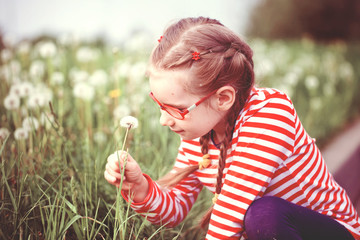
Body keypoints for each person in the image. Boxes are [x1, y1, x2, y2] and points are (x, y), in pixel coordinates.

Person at [104, 16, 360, 240]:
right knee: (259, 218)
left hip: (333, 232)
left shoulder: (270, 115)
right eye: (158, 104)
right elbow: (175, 209)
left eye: (176, 109)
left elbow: (229, 217)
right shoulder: (200, 134)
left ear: (223, 98)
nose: (164, 120)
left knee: (263, 215)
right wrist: (139, 187)